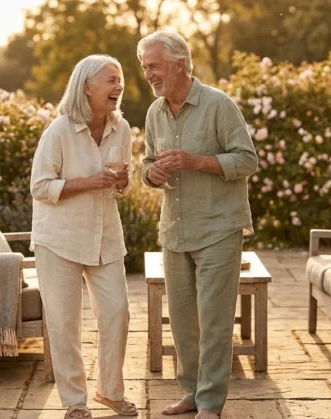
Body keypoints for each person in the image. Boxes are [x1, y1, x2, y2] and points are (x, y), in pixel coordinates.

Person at [138, 31, 259, 419]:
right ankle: (190, 393)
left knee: (215, 321)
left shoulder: (218, 105)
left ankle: (210, 403)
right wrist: (151, 173)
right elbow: (145, 164)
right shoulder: (155, 112)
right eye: (144, 67)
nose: (148, 74)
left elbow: (247, 160)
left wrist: (197, 161)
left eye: (153, 66)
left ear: (179, 64)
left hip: (218, 228)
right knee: (184, 322)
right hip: (175, 230)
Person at [30, 54, 137, 419]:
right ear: (87, 86)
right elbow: (40, 186)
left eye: (119, 79)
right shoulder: (59, 131)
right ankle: (75, 401)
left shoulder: (122, 129)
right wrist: (87, 183)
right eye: (111, 80)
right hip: (58, 239)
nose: (118, 86)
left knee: (117, 314)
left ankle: (110, 391)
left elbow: (123, 180)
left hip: (105, 236)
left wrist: (122, 182)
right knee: (64, 322)